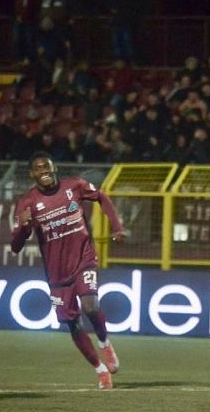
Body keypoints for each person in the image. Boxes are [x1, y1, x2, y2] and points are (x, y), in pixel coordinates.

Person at [9, 152, 125, 390]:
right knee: (73, 323)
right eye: (38, 168)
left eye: (47, 166)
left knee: (91, 306)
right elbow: (16, 247)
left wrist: (117, 227)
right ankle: (100, 370)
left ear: (55, 168)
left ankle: (105, 342)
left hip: (84, 259)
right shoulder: (27, 203)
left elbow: (102, 197)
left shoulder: (75, 186)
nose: (44, 170)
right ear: (32, 174)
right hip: (57, 275)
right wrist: (23, 227)